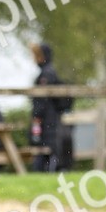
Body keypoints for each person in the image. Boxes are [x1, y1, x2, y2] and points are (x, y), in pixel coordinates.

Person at [28, 42, 72, 172]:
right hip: (50, 119)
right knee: (47, 149)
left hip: (47, 120)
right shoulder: (49, 72)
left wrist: (36, 116)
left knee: (47, 150)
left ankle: (48, 172)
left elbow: (41, 102)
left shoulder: (46, 74)